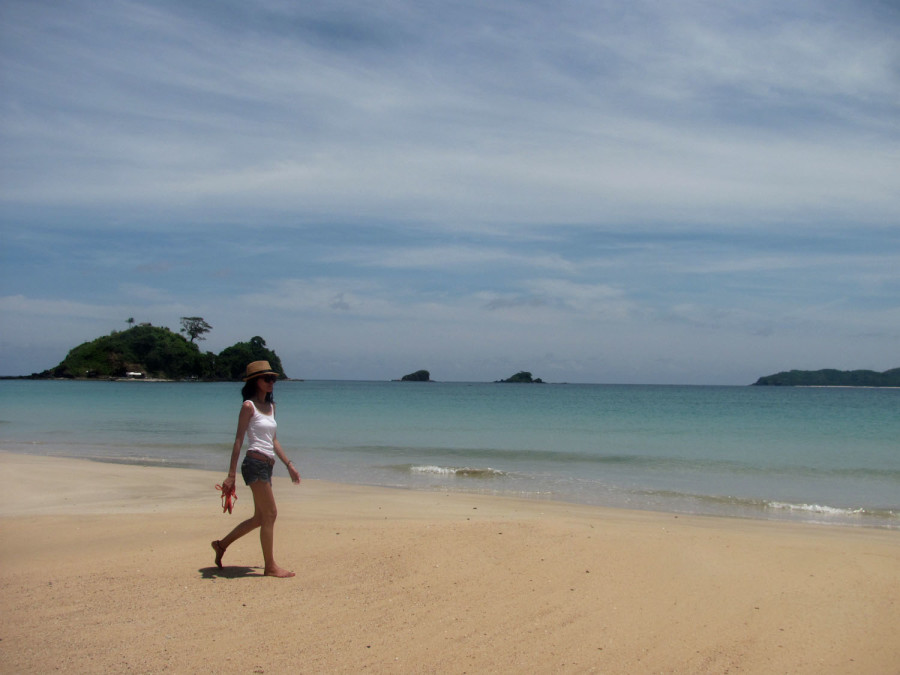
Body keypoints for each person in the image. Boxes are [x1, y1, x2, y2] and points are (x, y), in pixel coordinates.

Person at [211, 360, 301, 577]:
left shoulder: (271, 407)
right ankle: (270, 566)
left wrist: (289, 465)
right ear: (255, 381)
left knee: (260, 518)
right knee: (271, 513)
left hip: (267, 465)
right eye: (266, 378)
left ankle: (221, 545)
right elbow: (238, 440)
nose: (271, 382)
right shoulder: (248, 407)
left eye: (273, 379)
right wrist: (231, 475)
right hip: (254, 464)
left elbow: (274, 440)